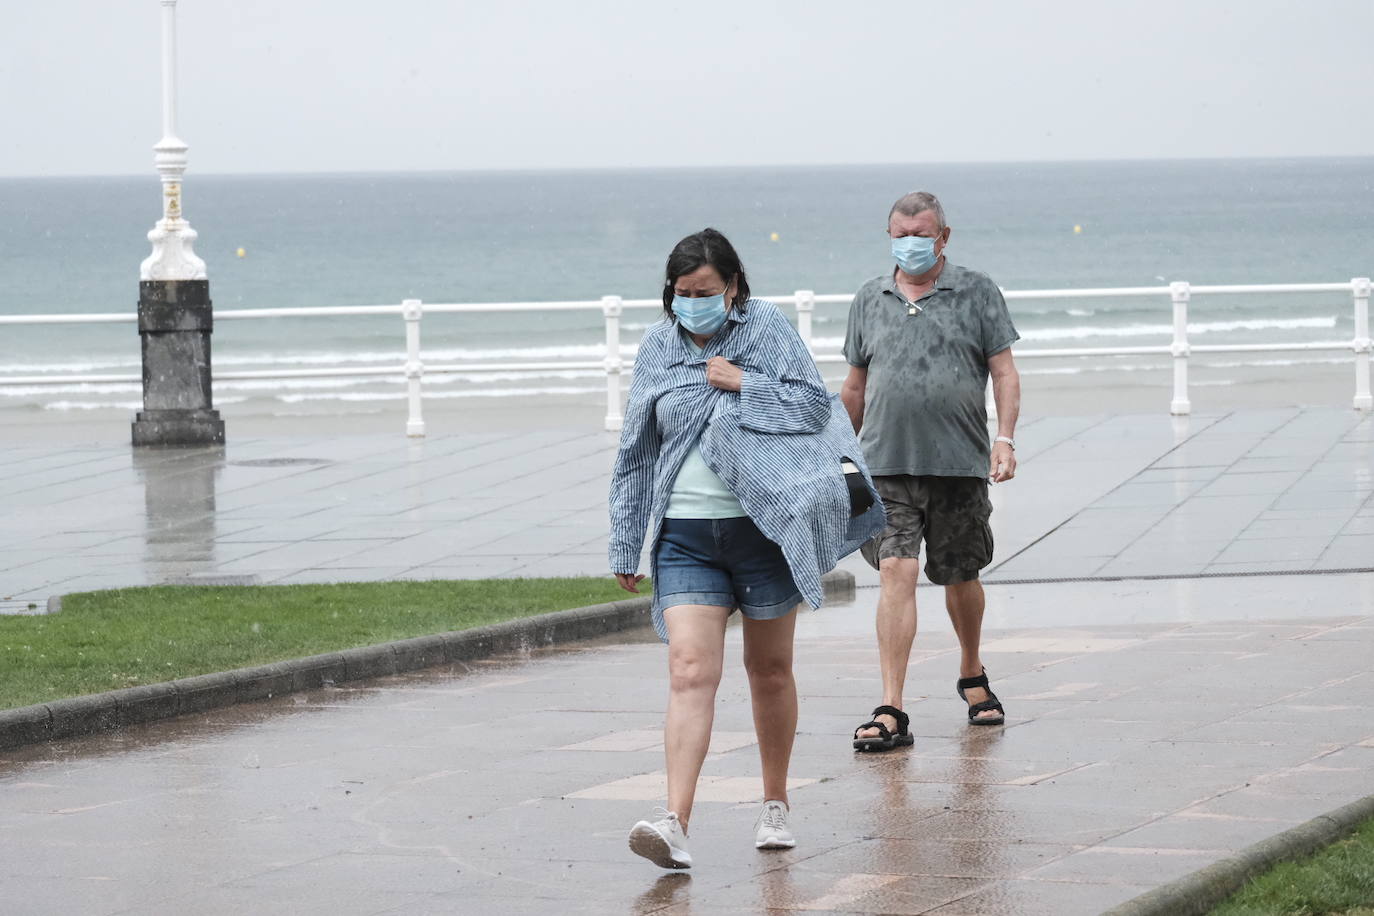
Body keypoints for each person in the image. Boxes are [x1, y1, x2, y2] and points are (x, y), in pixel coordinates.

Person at [609, 228, 883, 868]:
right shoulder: (658, 344)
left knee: (769, 672)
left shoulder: (765, 329)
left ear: (732, 287)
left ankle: (775, 804)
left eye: (705, 291)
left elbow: (815, 409)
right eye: (682, 293)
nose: (692, 303)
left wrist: (741, 384)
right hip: (684, 535)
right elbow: (636, 449)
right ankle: (675, 821)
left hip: (764, 530)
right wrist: (626, 539)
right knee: (689, 671)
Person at [841, 191, 1022, 752]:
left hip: (958, 464)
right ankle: (892, 706)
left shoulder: (977, 290)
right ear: (888, 235)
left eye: (921, 233)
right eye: (900, 233)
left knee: (960, 575)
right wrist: (837, 455)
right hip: (886, 464)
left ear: (944, 236)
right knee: (896, 568)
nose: (911, 243)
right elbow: (855, 386)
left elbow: (1004, 373)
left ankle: (971, 672)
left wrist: (1005, 439)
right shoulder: (869, 299)